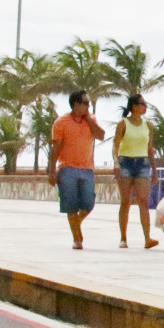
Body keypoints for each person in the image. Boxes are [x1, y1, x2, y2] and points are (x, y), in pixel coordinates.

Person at [49, 91, 103, 248]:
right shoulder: (61, 122)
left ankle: (75, 224)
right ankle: (77, 239)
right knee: (71, 205)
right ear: (76, 104)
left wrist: (89, 120)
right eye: (85, 103)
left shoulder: (91, 119)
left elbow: (100, 135)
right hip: (67, 168)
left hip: (87, 168)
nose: (88, 106)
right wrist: (52, 170)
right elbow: (56, 148)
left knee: (88, 204)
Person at [111, 93, 158, 248]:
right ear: (134, 106)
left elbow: (150, 149)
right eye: (142, 104)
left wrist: (155, 170)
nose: (145, 107)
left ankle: (147, 238)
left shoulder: (148, 125)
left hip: (143, 163)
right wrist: (116, 163)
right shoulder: (123, 124)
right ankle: (123, 238)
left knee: (143, 202)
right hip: (126, 162)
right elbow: (116, 145)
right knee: (126, 202)